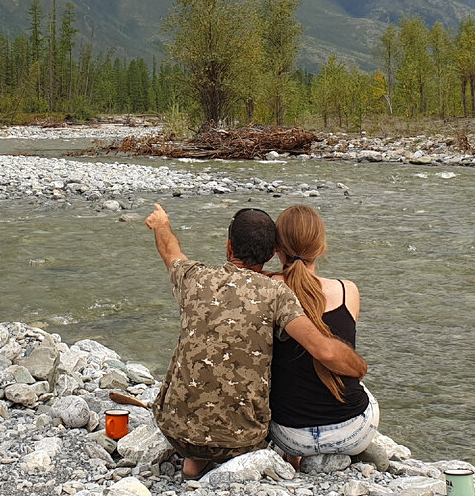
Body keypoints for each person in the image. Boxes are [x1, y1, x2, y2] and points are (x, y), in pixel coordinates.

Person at [146, 202, 367, 478]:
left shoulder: (195, 278)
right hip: (244, 441)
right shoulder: (275, 292)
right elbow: (322, 349)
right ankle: (286, 456)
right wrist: (360, 368)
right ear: (273, 252)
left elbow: (170, 251)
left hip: (176, 432)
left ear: (229, 247)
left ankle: (194, 458)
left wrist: (161, 223)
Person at [268, 204, 379, 460]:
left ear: (277, 250)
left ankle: (293, 458)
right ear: (322, 248)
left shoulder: (266, 289)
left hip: (289, 435)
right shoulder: (346, 290)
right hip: (351, 433)